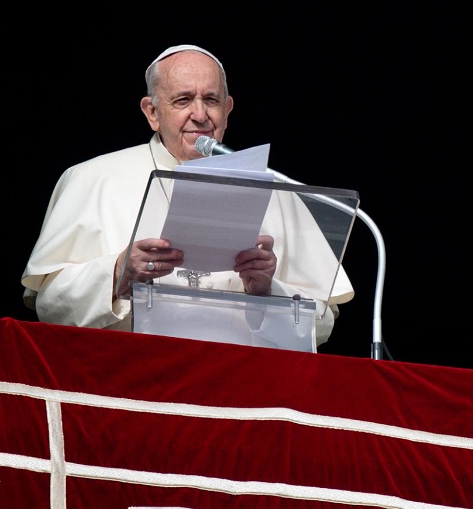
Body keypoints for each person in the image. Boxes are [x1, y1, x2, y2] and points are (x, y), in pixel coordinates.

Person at [21, 44, 353, 345]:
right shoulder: (92, 178)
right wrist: (119, 273)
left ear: (228, 108)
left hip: (245, 390)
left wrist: (268, 292)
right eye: (182, 100)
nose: (200, 114)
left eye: (211, 100)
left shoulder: (276, 189)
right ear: (152, 112)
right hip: (130, 385)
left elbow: (322, 325)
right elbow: (50, 306)